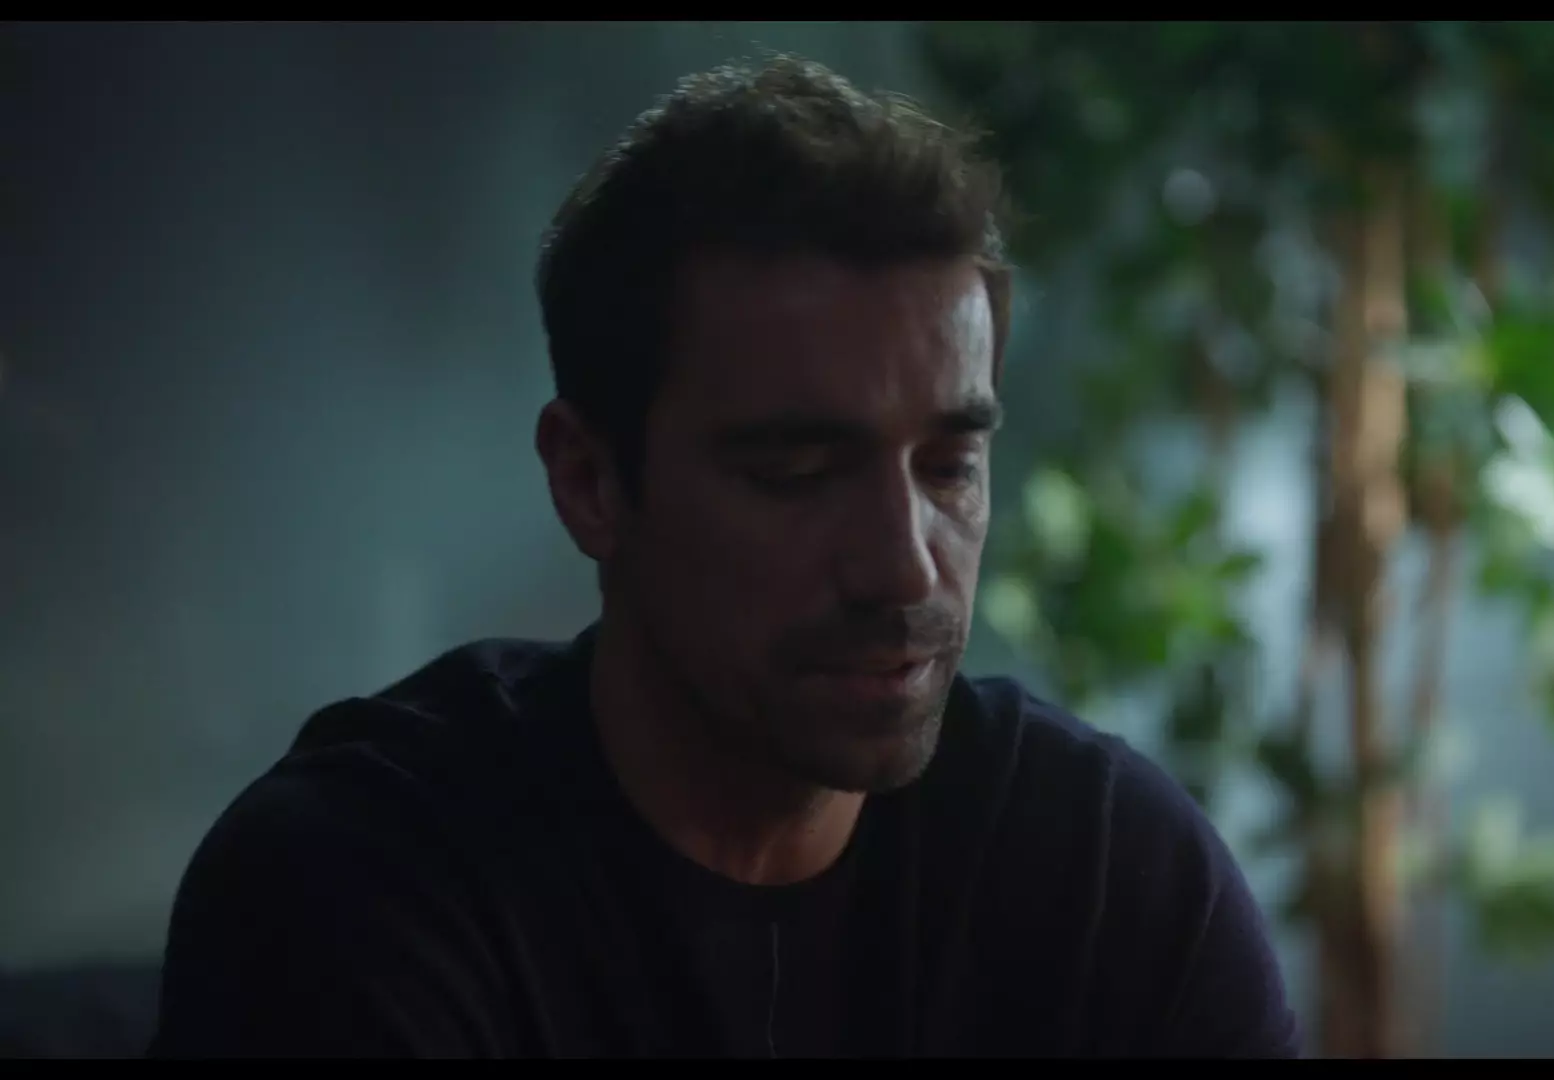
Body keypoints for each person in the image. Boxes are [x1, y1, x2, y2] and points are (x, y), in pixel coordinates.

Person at [147, 56, 1300, 1059]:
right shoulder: (357, 892)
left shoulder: (1108, 876)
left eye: (950, 466)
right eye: (797, 471)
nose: (905, 569)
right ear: (590, 482)